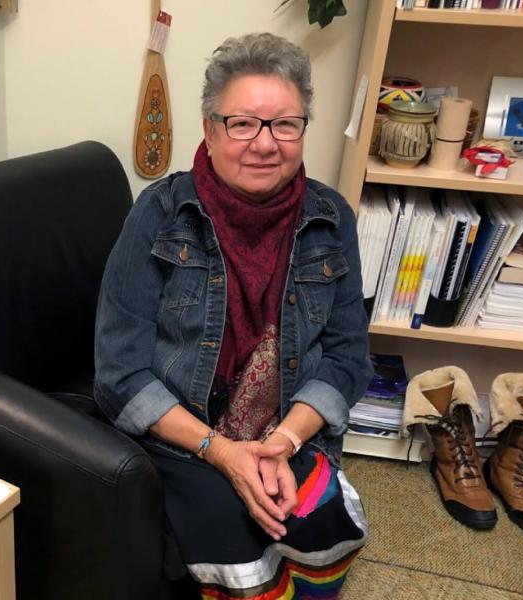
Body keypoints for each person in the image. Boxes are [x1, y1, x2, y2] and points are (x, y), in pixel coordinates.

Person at [94, 33, 373, 599]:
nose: (265, 144)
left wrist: (284, 443)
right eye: (243, 124)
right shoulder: (159, 216)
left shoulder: (331, 217)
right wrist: (222, 452)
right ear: (210, 130)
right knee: (234, 533)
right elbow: (120, 374)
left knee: (320, 519)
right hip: (182, 435)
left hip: (285, 427)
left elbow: (347, 356)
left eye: (285, 124)